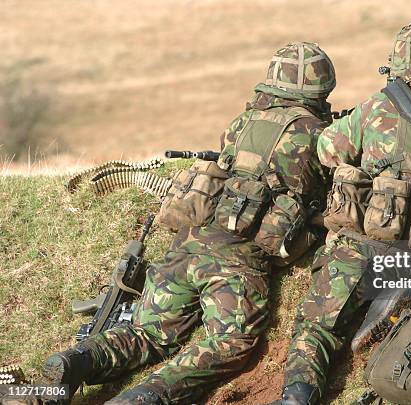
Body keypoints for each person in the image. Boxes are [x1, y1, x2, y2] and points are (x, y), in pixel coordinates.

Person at [29, 42, 336, 405]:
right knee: (232, 342)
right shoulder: (320, 136)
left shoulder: (241, 123)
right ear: (320, 89)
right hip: (236, 260)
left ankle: (75, 360)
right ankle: (145, 397)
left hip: (188, 243)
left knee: (147, 333)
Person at [267, 19, 411, 405]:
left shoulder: (376, 107)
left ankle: (297, 397)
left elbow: (327, 150)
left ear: (399, 63)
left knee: (316, 327)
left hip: (362, 241)